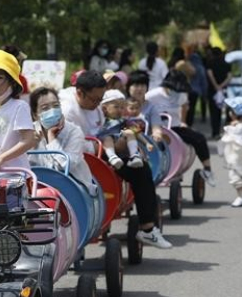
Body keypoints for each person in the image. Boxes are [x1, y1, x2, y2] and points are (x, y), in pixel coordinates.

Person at [61, 70, 172, 249]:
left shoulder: (94, 106)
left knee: (142, 168)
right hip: (81, 158)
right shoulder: (68, 111)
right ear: (80, 93)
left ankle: (147, 228)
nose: (98, 104)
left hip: (102, 150)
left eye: (101, 99)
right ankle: (146, 227)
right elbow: (73, 144)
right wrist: (105, 146)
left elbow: (103, 128)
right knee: (138, 171)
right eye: (95, 99)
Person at [146, 70, 216, 186]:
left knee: (199, 139)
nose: (175, 92)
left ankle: (208, 170)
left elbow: (184, 106)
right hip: (155, 129)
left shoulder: (181, 94)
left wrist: (183, 121)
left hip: (174, 128)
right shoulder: (152, 95)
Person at [28, 87, 96, 193]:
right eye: (45, 108)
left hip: (75, 188)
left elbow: (66, 166)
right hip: (38, 188)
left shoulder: (74, 132)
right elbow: (26, 166)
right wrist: (31, 144)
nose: (52, 111)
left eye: (55, 106)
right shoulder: (29, 133)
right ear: (35, 115)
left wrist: (51, 138)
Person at [98, 89, 144, 169]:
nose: (119, 110)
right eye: (116, 107)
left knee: (129, 133)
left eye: (122, 107)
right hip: (106, 146)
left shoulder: (123, 120)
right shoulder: (101, 120)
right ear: (105, 108)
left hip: (121, 142)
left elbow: (135, 130)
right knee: (107, 138)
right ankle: (112, 157)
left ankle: (134, 156)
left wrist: (146, 143)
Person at [206, 47, 232, 139]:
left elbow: (210, 74)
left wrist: (216, 85)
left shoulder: (210, 63)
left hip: (212, 90)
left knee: (213, 111)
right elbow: (229, 77)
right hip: (223, 90)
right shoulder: (226, 64)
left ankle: (215, 131)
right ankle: (219, 131)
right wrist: (221, 86)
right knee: (220, 110)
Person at [186, 49, 208, 127]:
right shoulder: (201, 68)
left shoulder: (188, 67)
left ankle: (187, 121)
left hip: (187, 90)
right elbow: (203, 81)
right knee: (192, 107)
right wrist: (204, 92)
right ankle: (190, 123)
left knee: (186, 106)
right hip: (196, 91)